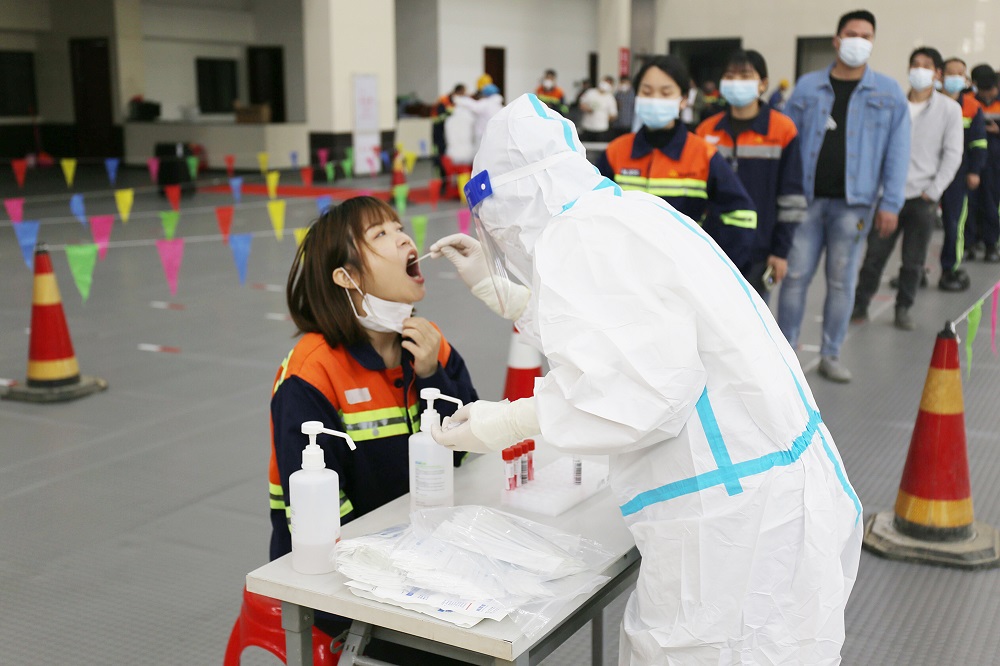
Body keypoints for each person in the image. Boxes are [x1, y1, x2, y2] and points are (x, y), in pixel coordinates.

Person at [430, 93, 862, 665]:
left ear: (514, 200)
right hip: (766, 496)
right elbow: (615, 331)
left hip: (732, 530)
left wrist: (504, 422)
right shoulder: (623, 213)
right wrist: (500, 291)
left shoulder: (580, 236)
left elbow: (637, 395)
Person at [268, 197, 478, 642]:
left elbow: (467, 450)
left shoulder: (429, 346)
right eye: (380, 234)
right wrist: (394, 568)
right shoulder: (311, 372)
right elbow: (319, 514)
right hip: (345, 588)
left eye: (399, 227)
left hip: (423, 555)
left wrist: (432, 375)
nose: (403, 238)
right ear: (348, 277)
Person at [778, 9, 910, 383]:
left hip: (855, 205)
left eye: (866, 36)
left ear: (873, 42)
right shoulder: (807, 88)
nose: (858, 41)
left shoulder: (889, 93)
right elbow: (788, 143)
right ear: (837, 40)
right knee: (795, 277)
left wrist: (891, 203)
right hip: (806, 202)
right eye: (852, 34)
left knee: (841, 281)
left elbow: (898, 152)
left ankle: (831, 354)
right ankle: (785, 355)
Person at [597, 55, 758, 273]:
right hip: (624, 274)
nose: (655, 99)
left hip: (684, 276)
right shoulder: (616, 152)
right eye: (646, 92)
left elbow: (741, 215)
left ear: (683, 99)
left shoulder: (703, 154)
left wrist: (717, 269)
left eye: (665, 93)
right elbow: (593, 212)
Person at [852, 47, 962, 330]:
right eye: (915, 64)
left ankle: (903, 308)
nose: (919, 70)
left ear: (937, 73)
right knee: (874, 256)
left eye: (927, 65)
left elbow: (953, 155)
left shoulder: (949, 110)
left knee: (913, 261)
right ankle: (860, 304)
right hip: (888, 196)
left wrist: (933, 192)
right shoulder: (893, 103)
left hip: (922, 198)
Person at [697, 49, 806, 300]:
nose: (736, 82)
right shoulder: (706, 131)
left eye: (745, 76)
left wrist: (780, 251)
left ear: (763, 84)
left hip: (759, 251)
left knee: (753, 319)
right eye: (730, 76)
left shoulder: (782, 130)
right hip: (712, 247)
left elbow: (791, 197)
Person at [937, 58, 986, 291]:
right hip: (927, 173)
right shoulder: (929, 102)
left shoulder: (972, 107)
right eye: (951, 72)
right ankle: (915, 269)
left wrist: (975, 171)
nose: (955, 77)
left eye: (960, 74)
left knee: (954, 223)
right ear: (940, 75)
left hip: (958, 174)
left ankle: (950, 269)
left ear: (966, 79)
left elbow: (979, 143)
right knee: (919, 224)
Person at [967, 64, 1000, 263]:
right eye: (983, 90)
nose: (988, 95)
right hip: (972, 161)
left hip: (995, 163)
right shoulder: (969, 102)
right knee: (970, 204)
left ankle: (991, 245)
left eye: (991, 90)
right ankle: (969, 244)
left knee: (990, 203)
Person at [454, 82, 504, 151]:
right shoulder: (499, 106)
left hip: (483, 134)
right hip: (495, 135)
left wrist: (460, 99)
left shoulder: (485, 104)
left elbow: (473, 106)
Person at [431, 84, 466, 182]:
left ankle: (448, 181)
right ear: (458, 92)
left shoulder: (455, 102)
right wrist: (449, 114)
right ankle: (440, 182)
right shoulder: (444, 101)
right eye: (462, 93)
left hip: (448, 135)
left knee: (448, 159)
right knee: (439, 158)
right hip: (438, 135)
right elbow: (438, 118)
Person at [578, 76, 619, 141]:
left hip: (602, 129)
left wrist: (605, 118)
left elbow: (613, 114)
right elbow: (582, 104)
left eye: (609, 83)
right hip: (587, 127)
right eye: (605, 82)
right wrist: (587, 109)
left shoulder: (610, 98)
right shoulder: (590, 92)